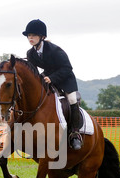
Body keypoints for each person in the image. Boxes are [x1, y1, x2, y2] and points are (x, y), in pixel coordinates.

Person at [23, 19, 82, 150]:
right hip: (48, 78)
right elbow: (34, 72)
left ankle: (75, 134)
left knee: (72, 99)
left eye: (33, 35)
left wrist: (52, 78)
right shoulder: (30, 53)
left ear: (42, 37)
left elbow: (67, 68)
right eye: (29, 35)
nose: (30, 38)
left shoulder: (55, 50)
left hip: (65, 79)